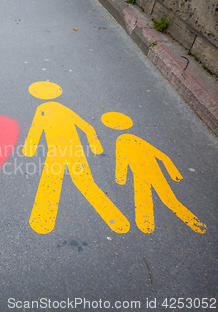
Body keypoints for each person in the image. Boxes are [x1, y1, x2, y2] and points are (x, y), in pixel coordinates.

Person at [23, 82, 130, 234]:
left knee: (51, 180)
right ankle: (114, 218)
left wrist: (29, 150)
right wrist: (95, 146)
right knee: (84, 181)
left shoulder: (43, 109)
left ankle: (42, 220)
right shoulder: (64, 109)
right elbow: (87, 127)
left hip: (56, 152)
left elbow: (35, 129)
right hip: (75, 149)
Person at [101, 111, 206, 233]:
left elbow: (121, 160)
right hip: (154, 172)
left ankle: (146, 225)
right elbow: (163, 157)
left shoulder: (122, 140)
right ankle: (193, 222)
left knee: (143, 197)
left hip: (142, 174)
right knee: (167, 198)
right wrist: (174, 174)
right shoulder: (136, 140)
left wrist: (121, 177)